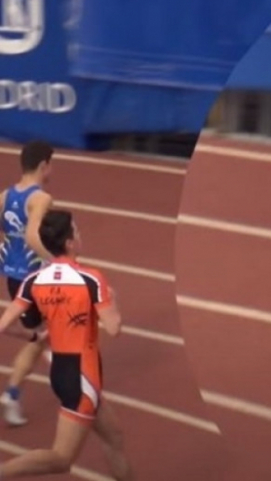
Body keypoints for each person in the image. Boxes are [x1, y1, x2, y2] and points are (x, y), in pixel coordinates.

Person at [0, 209, 133, 480]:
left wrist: (35, 338)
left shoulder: (33, 281)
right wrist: (112, 299)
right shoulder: (91, 279)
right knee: (61, 458)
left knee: (114, 436)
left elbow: (4, 325)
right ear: (70, 243)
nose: (81, 236)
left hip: (61, 372)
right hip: (84, 376)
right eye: (77, 231)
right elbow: (114, 328)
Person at [0, 141, 56, 426]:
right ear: (43, 165)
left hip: (14, 278)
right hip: (36, 278)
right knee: (59, 328)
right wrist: (59, 261)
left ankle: (12, 394)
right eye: (52, 165)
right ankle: (63, 367)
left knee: (38, 337)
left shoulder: (4, 196)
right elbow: (33, 236)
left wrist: (8, 253)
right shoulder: (41, 199)